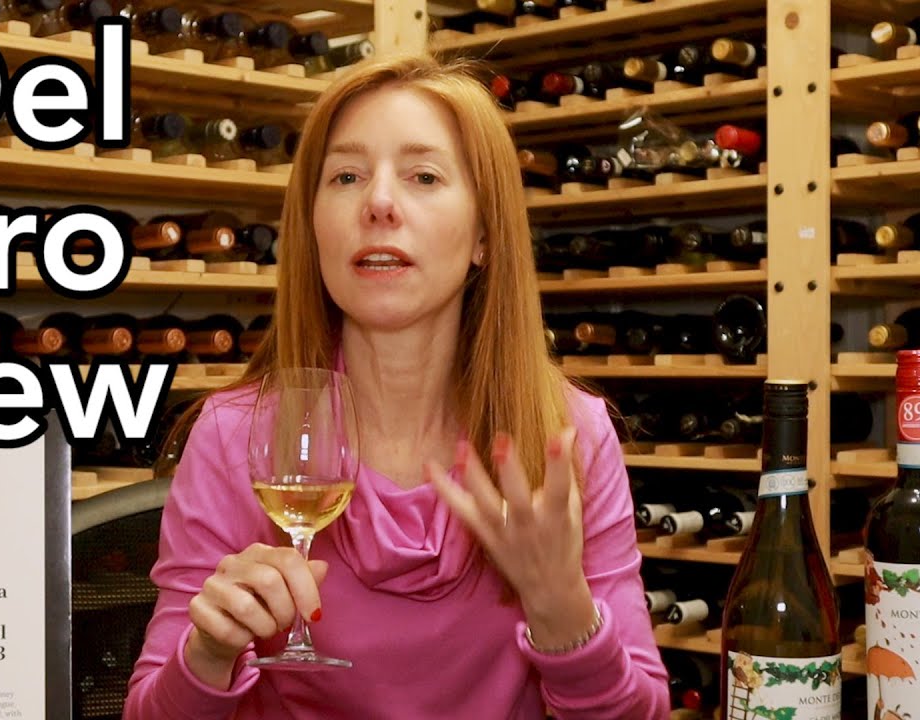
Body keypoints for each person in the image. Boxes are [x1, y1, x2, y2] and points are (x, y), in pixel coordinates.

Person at [122, 51, 669, 719]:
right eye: (347, 176)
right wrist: (208, 651)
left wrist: (564, 615)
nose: (378, 203)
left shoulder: (568, 434)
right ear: (312, 225)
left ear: (485, 235)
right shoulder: (233, 435)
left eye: (424, 176)